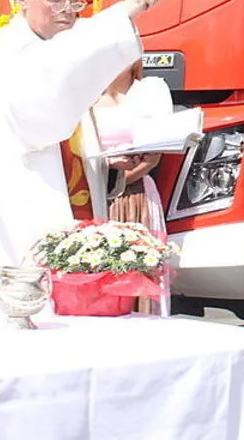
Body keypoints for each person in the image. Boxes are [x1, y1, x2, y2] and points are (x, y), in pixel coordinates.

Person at [0, 0, 166, 317]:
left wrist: (108, 166)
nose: (67, 10)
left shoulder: (54, 49)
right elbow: (43, 114)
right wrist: (127, 9)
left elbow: (72, 114)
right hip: (16, 211)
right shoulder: (9, 49)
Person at [88, 60, 171, 315]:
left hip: (135, 197)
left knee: (135, 272)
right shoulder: (85, 96)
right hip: (92, 194)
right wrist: (103, 180)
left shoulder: (149, 91)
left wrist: (120, 180)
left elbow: (153, 156)